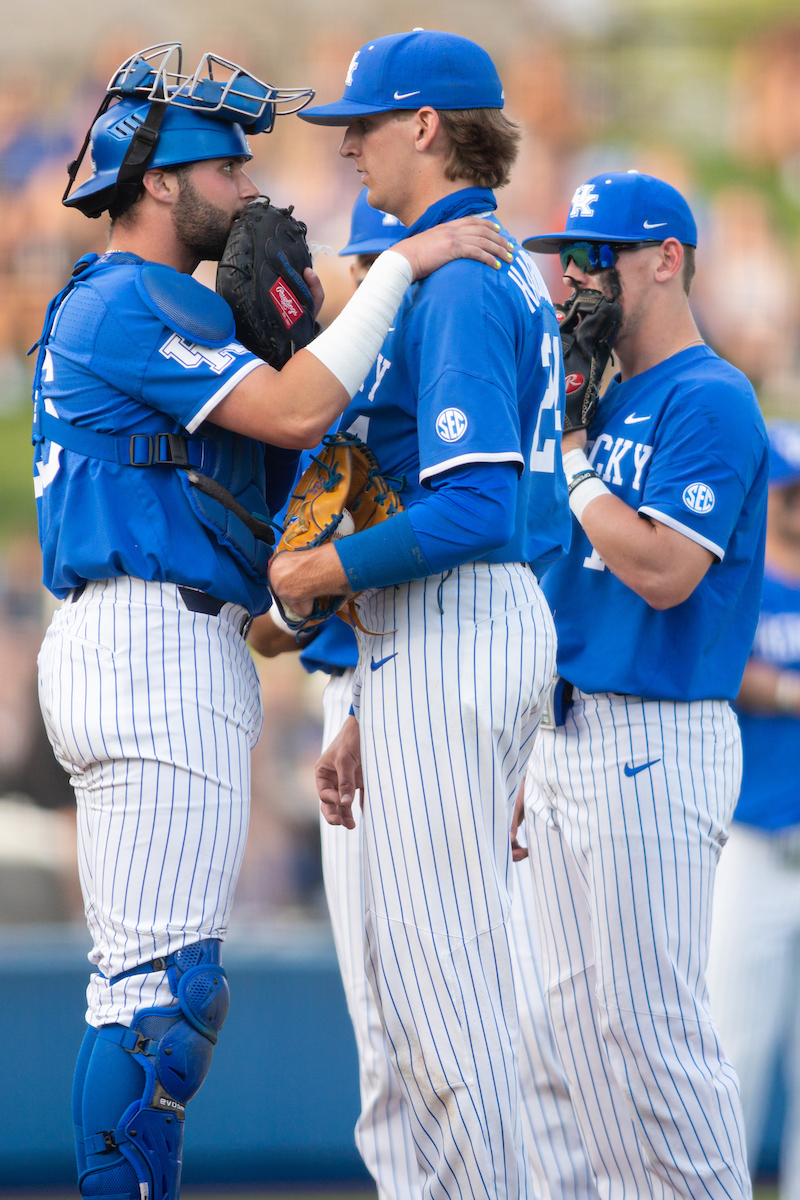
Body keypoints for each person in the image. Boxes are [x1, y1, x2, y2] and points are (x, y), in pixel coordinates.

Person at [33, 42, 511, 1200]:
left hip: (165, 637)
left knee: (155, 988)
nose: (247, 193)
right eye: (224, 172)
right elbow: (302, 413)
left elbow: (272, 544)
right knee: (159, 998)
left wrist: (304, 597)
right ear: (156, 183)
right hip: (145, 644)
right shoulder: (124, 298)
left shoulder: (164, 309)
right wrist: (398, 267)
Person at [269, 29, 570, 1200]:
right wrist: (370, 682)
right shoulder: (466, 268)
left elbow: (474, 514)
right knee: (400, 1022)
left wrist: (316, 578)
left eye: (365, 121)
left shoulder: (454, 282)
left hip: (460, 616)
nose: (347, 143)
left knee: (444, 1008)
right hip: (434, 638)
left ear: (427, 126)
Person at [520, 170, 769, 1200]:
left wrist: (576, 461)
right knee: (568, 1039)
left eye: (600, 257)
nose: (577, 277)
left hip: (655, 736)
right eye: (570, 257)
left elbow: (664, 570)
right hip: (569, 730)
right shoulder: (598, 392)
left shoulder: (707, 395)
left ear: (664, 259)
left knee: (650, 1032)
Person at [249, 193, 422, 1200]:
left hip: (473, 693)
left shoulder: (459, 387)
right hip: (353, 701)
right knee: (382, 1024)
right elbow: (271, 618)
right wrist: (313, 598)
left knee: (494, 1021)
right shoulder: (323, 409)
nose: (366, 282)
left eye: (382, 263)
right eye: (357, 268)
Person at [706, 420, 800, 1199]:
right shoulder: (744, 574)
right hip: (748, 840)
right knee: (731, 1048)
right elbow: (728, 666)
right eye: (789, 491)